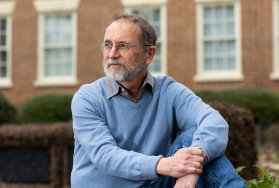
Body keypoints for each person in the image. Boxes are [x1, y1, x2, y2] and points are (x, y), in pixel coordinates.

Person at [71, 12, 246, 188]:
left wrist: (190, 172)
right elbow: (105, 155)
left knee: (194, 138)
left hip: (154, 184)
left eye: (123, 46)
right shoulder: (87, 98)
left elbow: (215, 122)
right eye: (108, 45)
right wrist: (167, 165)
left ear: (149, 54)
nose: (112, 54)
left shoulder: (168, 91)